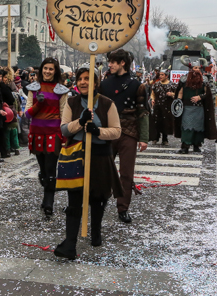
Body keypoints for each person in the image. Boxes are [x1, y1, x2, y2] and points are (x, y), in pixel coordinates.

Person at [54, 65, 123, 260]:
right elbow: (65, 129)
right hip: (77, 156)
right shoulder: (71, 102)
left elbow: (117, 131)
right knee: (75, 199)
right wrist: (80, 121)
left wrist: (98, 131)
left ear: (95, 83)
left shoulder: (107, 104)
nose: (83, 82)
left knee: (98, 197)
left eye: (87, 79)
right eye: (80, 79)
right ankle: (70, 244)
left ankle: (96, 233)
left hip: (100, 156)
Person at [99, 49, 149, 223]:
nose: (110, 65)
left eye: (113, 62)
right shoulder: (104, 84)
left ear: (122, 63)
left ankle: (123, 208)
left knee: (126, 173)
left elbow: (143, 112)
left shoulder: (137, 85)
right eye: (109, 61)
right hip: (107, 132)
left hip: (129, 132)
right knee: (104, 171)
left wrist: (143, 138)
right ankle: (100, 203)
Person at [25, 57, 69, 217]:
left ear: (55, 71)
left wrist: (64, 135)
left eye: (51, 69)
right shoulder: (33, 88)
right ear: (41, 70)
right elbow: (27, 114)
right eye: (45, 68)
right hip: (36, 133)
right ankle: (46, 194)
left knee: (51, 170)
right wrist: (39, 104)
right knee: (43, 170)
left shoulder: (61, 90)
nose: (48, 71)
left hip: (53, 134)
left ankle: (48, 202)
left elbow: (64, 114)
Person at [175, 62, 217, 153]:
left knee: (198, 127)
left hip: (199, 108)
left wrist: (200, 97)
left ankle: (196, 145)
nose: (197, 70)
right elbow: (180, 92)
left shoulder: (204, 80)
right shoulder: (184, 79)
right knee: (186, 126)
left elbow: (208, 94)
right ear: (191, 69)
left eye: (198, 68)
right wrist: (178, 103)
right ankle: (185, 146)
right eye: (195, 67)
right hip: (187, 108)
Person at [149, 70, 176, 146]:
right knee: (156, 122)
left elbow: (177, 94)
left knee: (166, 122)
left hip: (167, 107)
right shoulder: (156, 84)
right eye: (160, 75)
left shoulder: (172, 85)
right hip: (158, 106)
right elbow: (152, 94)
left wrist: (172, 94)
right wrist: (153, 99)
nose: (160, 76)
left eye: (162, 75)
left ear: (166, 76)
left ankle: (165, 139)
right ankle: (155, 138)